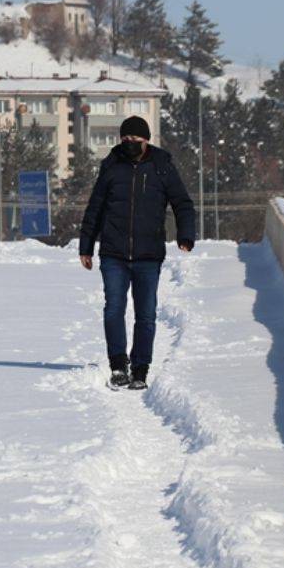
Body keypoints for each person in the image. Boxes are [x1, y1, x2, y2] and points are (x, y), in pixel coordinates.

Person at [78, 115, 195, 390]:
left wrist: (186, 234)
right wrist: (86, 246)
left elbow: (182, 203)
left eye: (136, 140)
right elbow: (95, 207)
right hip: (113, 253)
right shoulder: (111, 166)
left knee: (146, 314)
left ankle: (140, 368)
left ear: (147, 140)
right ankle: (118, 365)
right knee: (113, 310)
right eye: (126, 139)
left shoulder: (162, 167)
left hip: (148, 254)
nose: (130, 144)